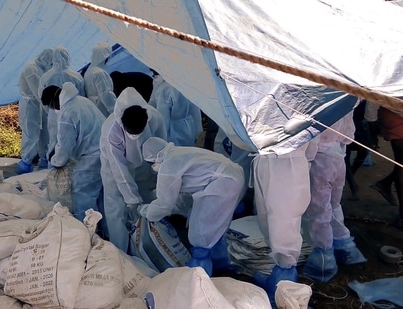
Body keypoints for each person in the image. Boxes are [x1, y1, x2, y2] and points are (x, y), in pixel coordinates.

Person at [139, 137, 245, 276]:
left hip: (223, 183)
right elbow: (182, 197)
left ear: (154, 158)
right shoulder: (177, 153)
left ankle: (200, 275)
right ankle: (220, 267)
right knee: (216, 227)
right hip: (232, 176)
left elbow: (165, 203)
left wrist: (146, 211)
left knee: (201, 231)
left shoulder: (168, 166)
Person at [100, 87, 167, 253]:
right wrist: (131, 198)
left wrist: (156, 178)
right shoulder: (111, 131)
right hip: (114, 170)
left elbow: (162, 150)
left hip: (144, 166)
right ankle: (121, 252)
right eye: (131, 133)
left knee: (147, 201)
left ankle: (144, 246)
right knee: (116, 209)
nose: (134, 138)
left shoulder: (155, 118)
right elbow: (119, 168)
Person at [302, 112, 367, 283]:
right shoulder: (347, 91)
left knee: (319, 209)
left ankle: (323, 263)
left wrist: (307, 159)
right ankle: (345, 248)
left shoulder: (323, 95)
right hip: (339, 151)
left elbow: (313, 131)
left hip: (321, 154)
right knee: (333, 204)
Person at [252, 141, 316, 305]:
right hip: (264, 159)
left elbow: (313, 137)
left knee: (285, 226)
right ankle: (277, 279)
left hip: (290, 164)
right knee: (267, 220)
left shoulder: (307, 114)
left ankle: (284, 291)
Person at [40, 82, 106, 222]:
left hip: (92, 156)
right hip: (105, 150)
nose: (54, 110)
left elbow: (65, 145)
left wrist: (56, 161)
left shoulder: (67, 113)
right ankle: (104, 232)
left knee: (83, 193)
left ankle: (87, 229)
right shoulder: (82, 101)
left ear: (54, 100)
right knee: (101, 195)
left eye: (52, 107)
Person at [38, 46, 86, 162]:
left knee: (54, 141)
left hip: (53, 114)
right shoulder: (76, 76)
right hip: (72, 112)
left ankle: (53, 167)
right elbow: (82, 95)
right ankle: (70, 167)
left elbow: (42, 97)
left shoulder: (46, 76)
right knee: (71, 139)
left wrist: (49, 111)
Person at [16, 48, 54, 174]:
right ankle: (26, 163)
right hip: (31, 106)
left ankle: (43, 159)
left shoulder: (42, 67)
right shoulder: (31, 69)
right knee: (31, 135)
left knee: (45, 133)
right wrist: (51, 109)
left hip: (40, 105)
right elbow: (39, 92)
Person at [148, 69, 203, 146]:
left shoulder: (164, 89)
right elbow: (196, 111)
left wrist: (160, 138)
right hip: (189, 126)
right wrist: (199, 132)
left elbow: (163, 118)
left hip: (173, 131)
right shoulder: (187, 83)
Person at [372, 105, 403, 229]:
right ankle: (402, 216)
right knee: (402, 166)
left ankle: (385, 183)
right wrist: (371, 123)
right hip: (396, 116)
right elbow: (372, 97)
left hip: (393, 114)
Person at [84, 42, 117, 117]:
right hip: (102, 110)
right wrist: (115, 111)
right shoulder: (100, 73)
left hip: (93, 109)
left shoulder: (89, 71)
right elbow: (106, 95)